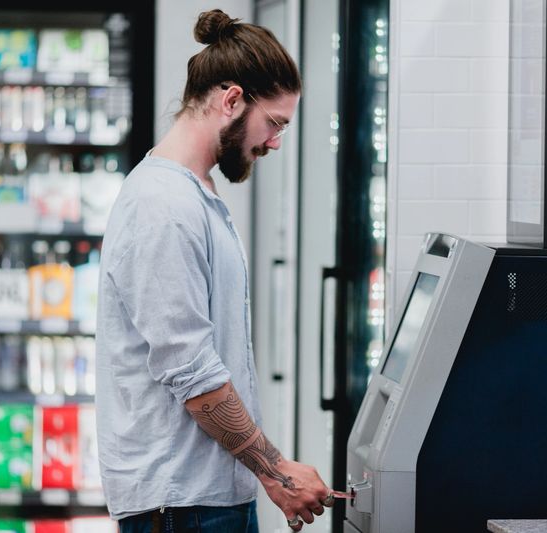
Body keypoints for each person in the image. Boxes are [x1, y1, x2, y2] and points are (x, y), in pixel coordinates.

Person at [95, 8, 334, 533]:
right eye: (274, 123)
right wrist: (276, 472)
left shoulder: (195, 192)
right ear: (231, 100)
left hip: (203, 497)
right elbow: (192, 372)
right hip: (181, 505)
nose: (274, 142)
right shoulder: (162, 204)